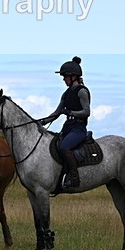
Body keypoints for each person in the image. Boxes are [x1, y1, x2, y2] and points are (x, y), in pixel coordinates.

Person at [41, 56, 91, 189]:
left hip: (79, 129)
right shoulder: (66, 93)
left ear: (73, 76)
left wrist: (70, 113)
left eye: (65, 76)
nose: (63, 79)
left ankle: (74, 177)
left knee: (64, 147)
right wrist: (41, 122)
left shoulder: (82, 92)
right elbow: (56, 113)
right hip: (68, 128)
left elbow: (86, 112)